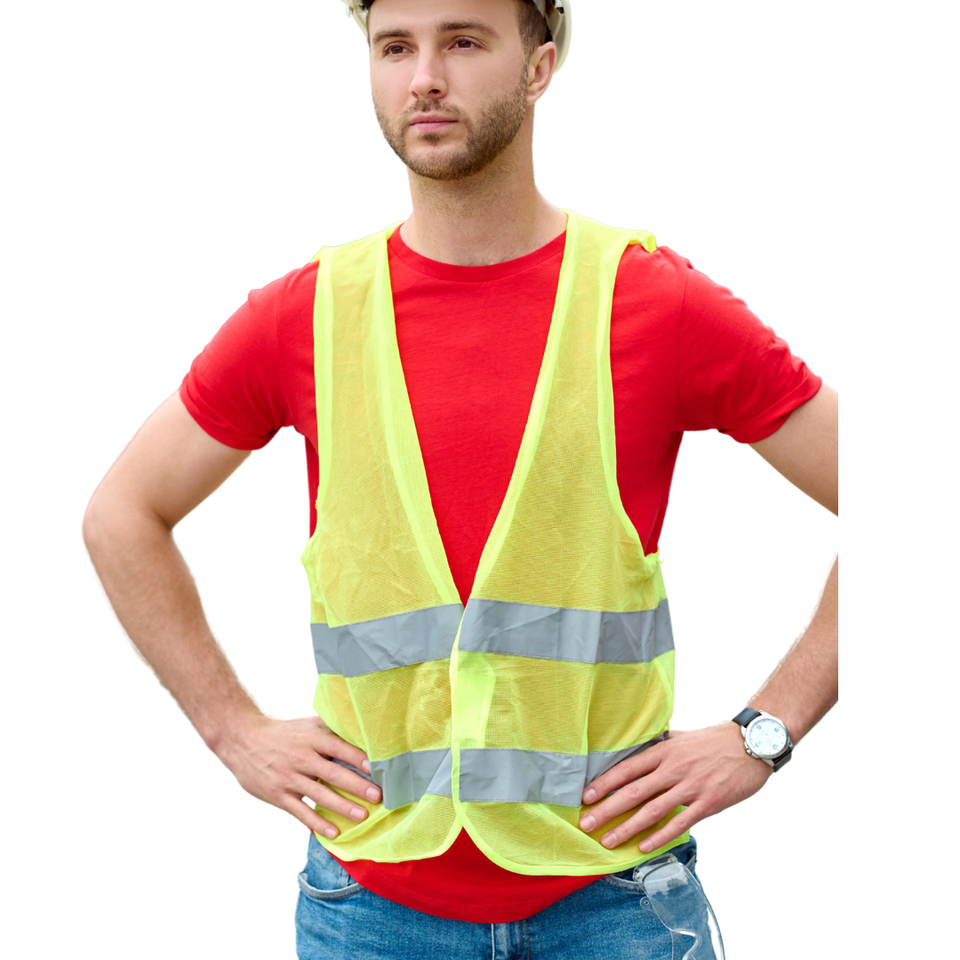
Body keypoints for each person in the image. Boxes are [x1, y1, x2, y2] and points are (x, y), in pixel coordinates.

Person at [83, 0, 838, 956]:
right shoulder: (307, 316)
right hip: (371, 904)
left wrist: (766, 732)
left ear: (539, 66)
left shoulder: (653, 302)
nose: (425, 77)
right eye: (395, 46)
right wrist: (231, 730)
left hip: (613, 902)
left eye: (464, 41)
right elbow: (122, 513)